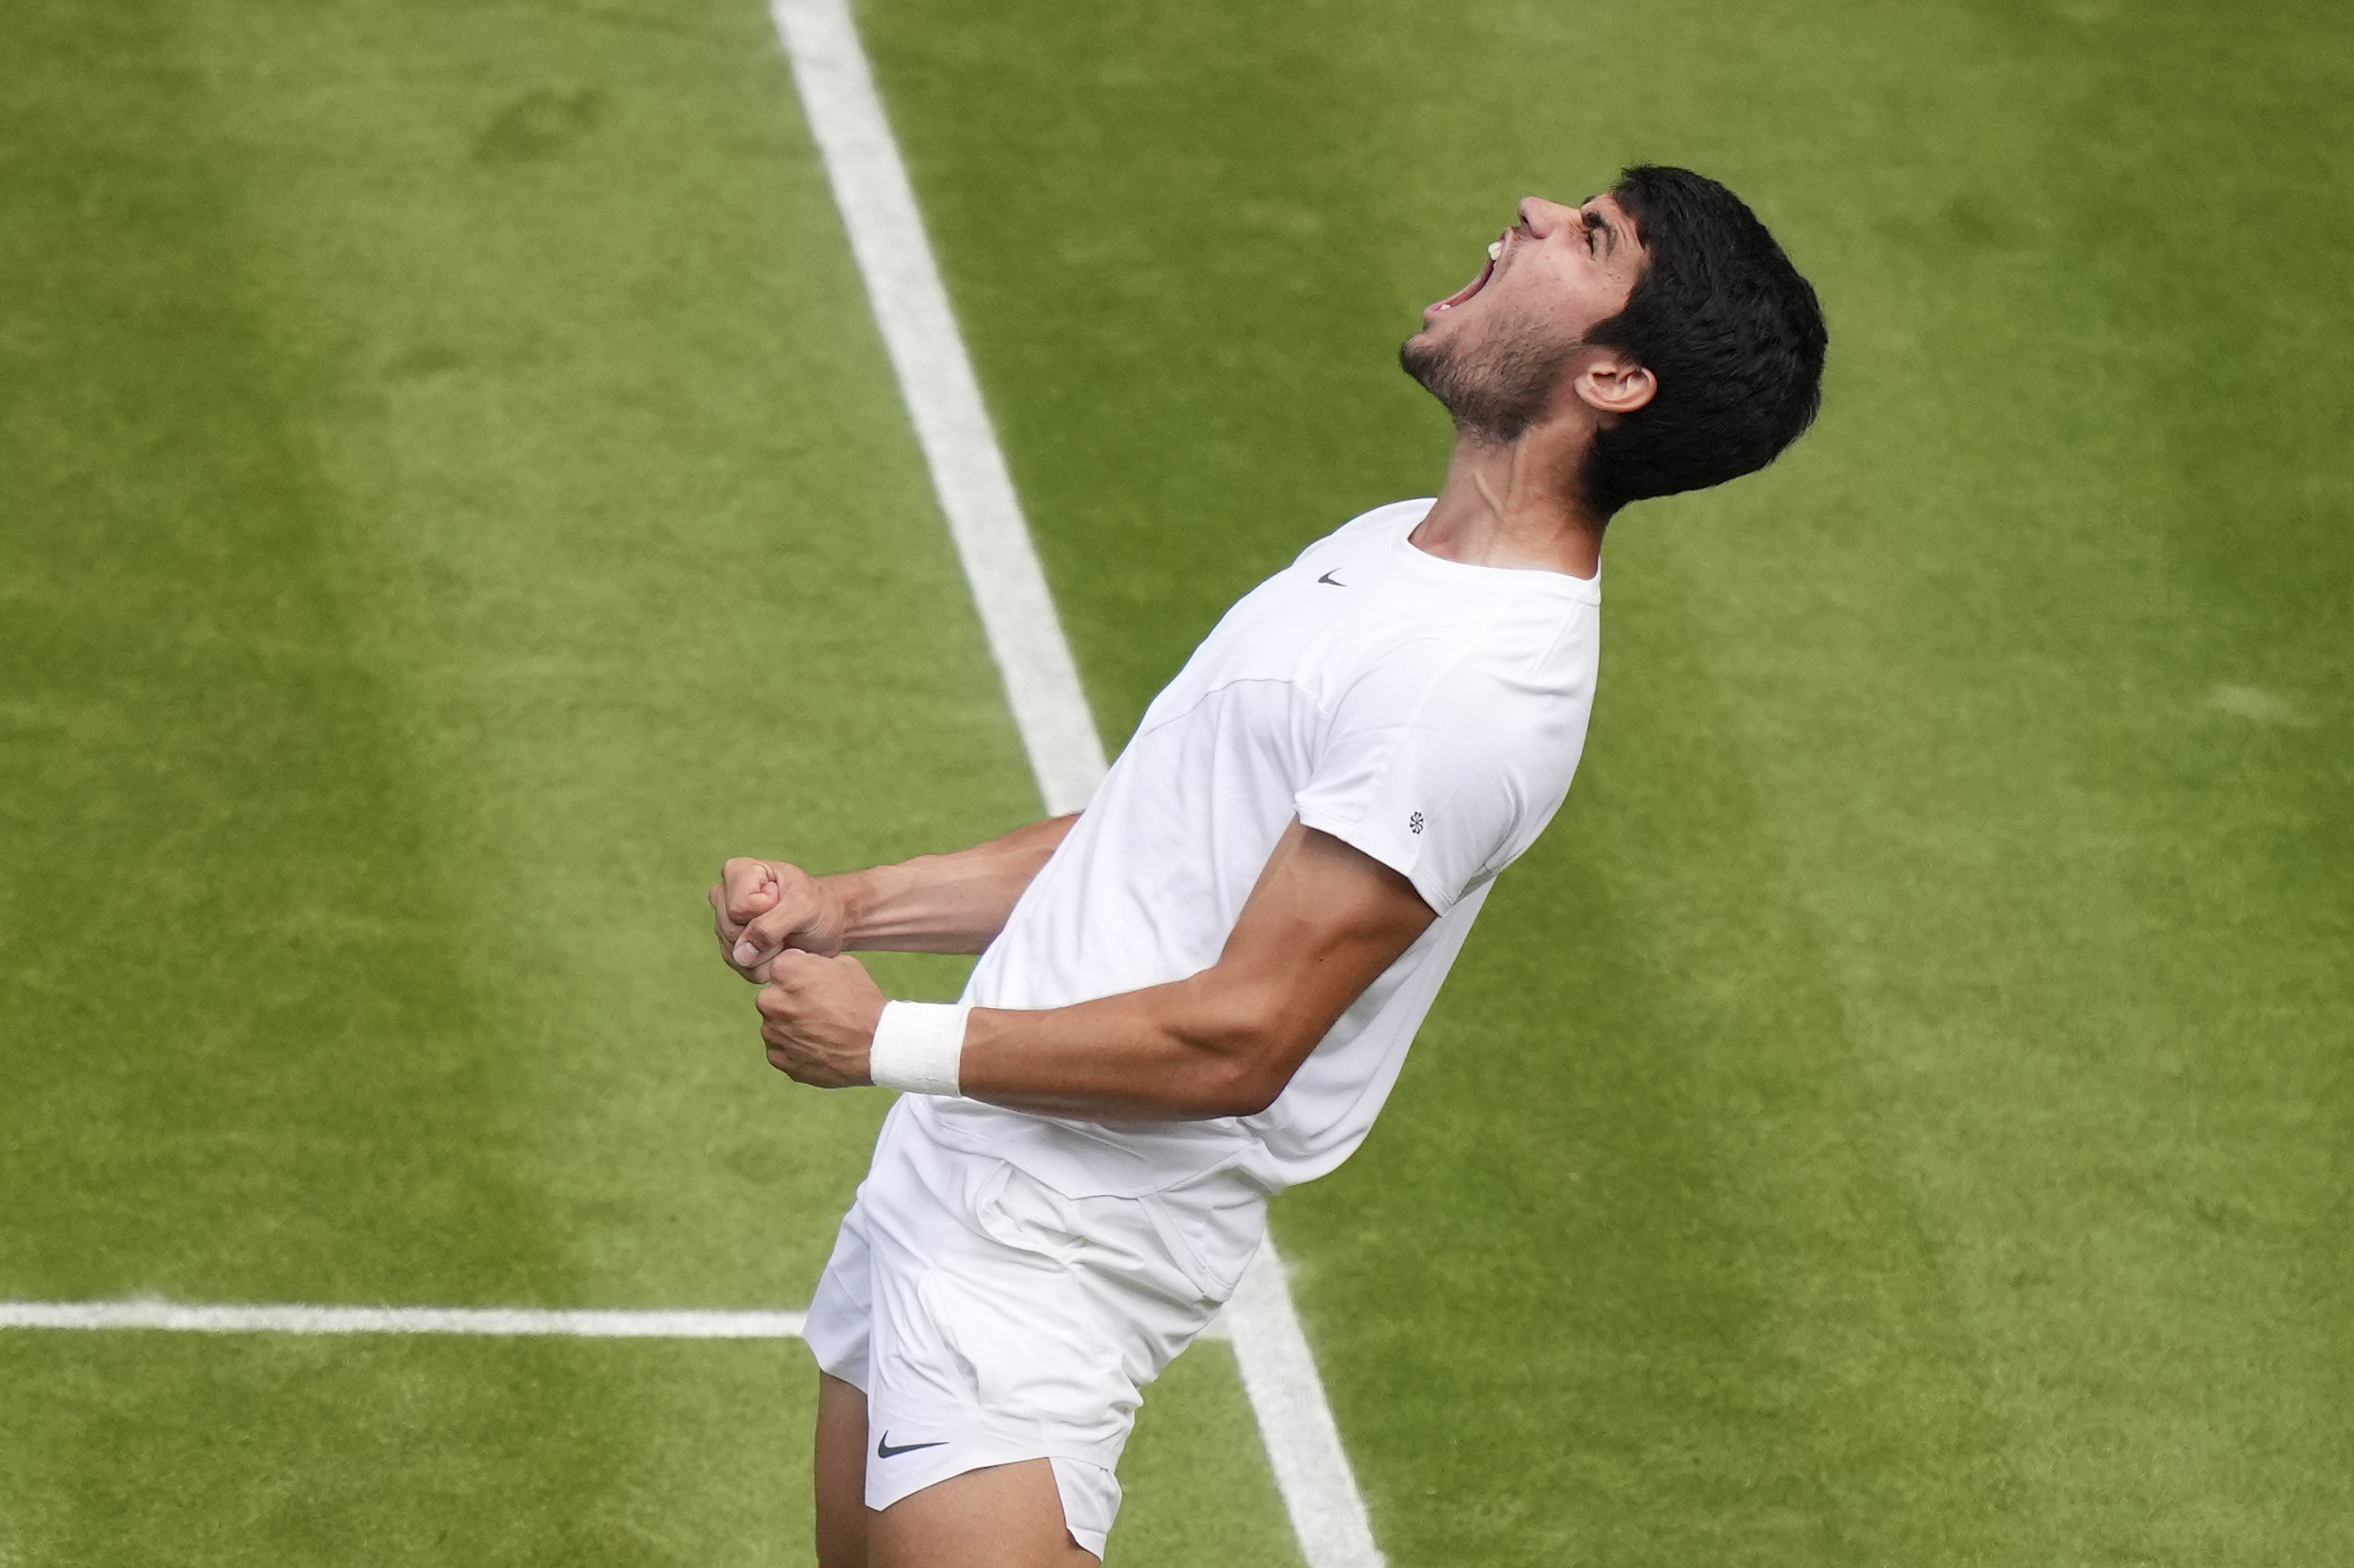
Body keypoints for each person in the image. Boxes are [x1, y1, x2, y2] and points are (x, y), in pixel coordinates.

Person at [710, 164, 1826, 1568]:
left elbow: (1243, 1039)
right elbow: (1152, 842)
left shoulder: (1472, 683)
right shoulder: (1393, 554)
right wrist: (851, 904)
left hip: (1052, 1247)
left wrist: (889, 1040)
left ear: (1612, 378)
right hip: (957, 1184)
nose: (1537, 210)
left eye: (1591, 237)